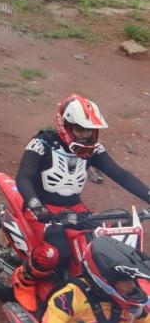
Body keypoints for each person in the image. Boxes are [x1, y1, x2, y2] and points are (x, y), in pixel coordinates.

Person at [13, 94, 150, 287]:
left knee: (100, 246)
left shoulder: (93, 149)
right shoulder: (42, 144)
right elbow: (23, 177)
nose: (85, 135)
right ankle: (24, 280)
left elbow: (121, 174)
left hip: (75, 208)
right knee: (56, 252)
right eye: (79, 129)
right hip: (42, 208)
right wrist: (37, 207)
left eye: (89, 130)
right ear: (65, 126)